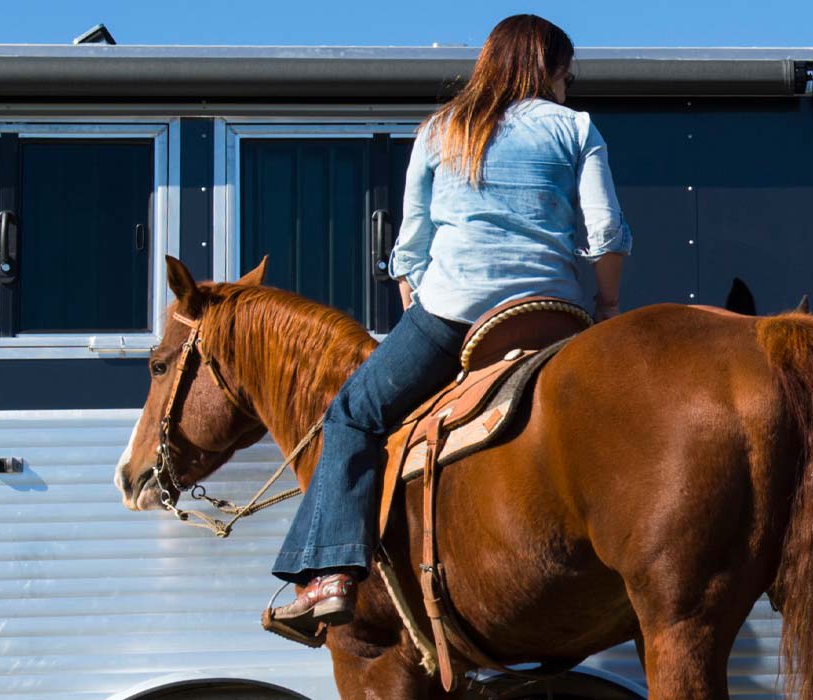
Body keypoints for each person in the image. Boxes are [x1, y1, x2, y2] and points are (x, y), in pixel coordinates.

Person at [268, 13, 631, 629]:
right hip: (555, 314)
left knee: (353, 413)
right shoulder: (575, 128)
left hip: (457, 316)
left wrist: (417, 306)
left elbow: (410, 249)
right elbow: (606, 234)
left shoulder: (442, 130)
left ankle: (329, 575)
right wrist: (607, 307)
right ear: (550, 71)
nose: (568, 88)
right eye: (566, 75)